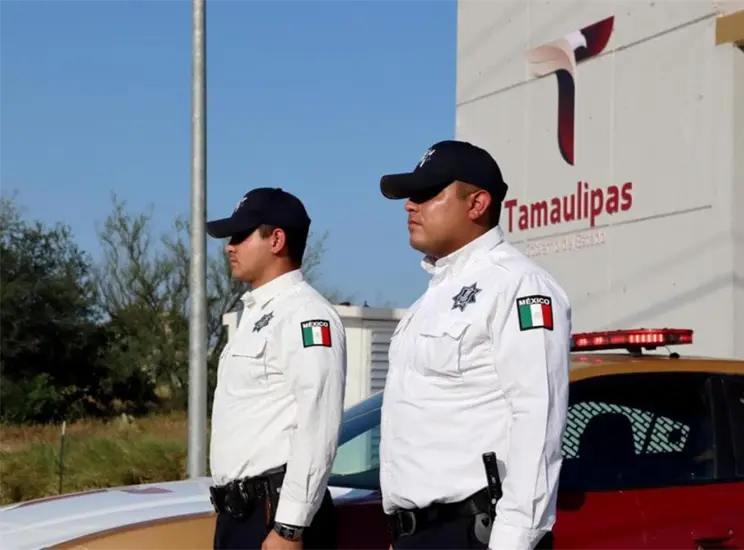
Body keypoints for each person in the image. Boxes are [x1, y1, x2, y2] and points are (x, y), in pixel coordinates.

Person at [377, 140, 571, 550]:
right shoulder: (432, 297)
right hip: (421, 534)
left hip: (475, 533)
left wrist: (515, 540)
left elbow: (538, 417)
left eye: (428, 194)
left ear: (478, 203)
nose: (411, 205)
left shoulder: (519, 285)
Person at [206, 187, 346, 550]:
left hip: (274, 515)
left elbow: (318, 425)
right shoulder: (255, 314)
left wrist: (289, 528)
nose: (229, 247)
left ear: (277, 239)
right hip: (242, 514)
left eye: (240, 235)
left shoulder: (306, 315)